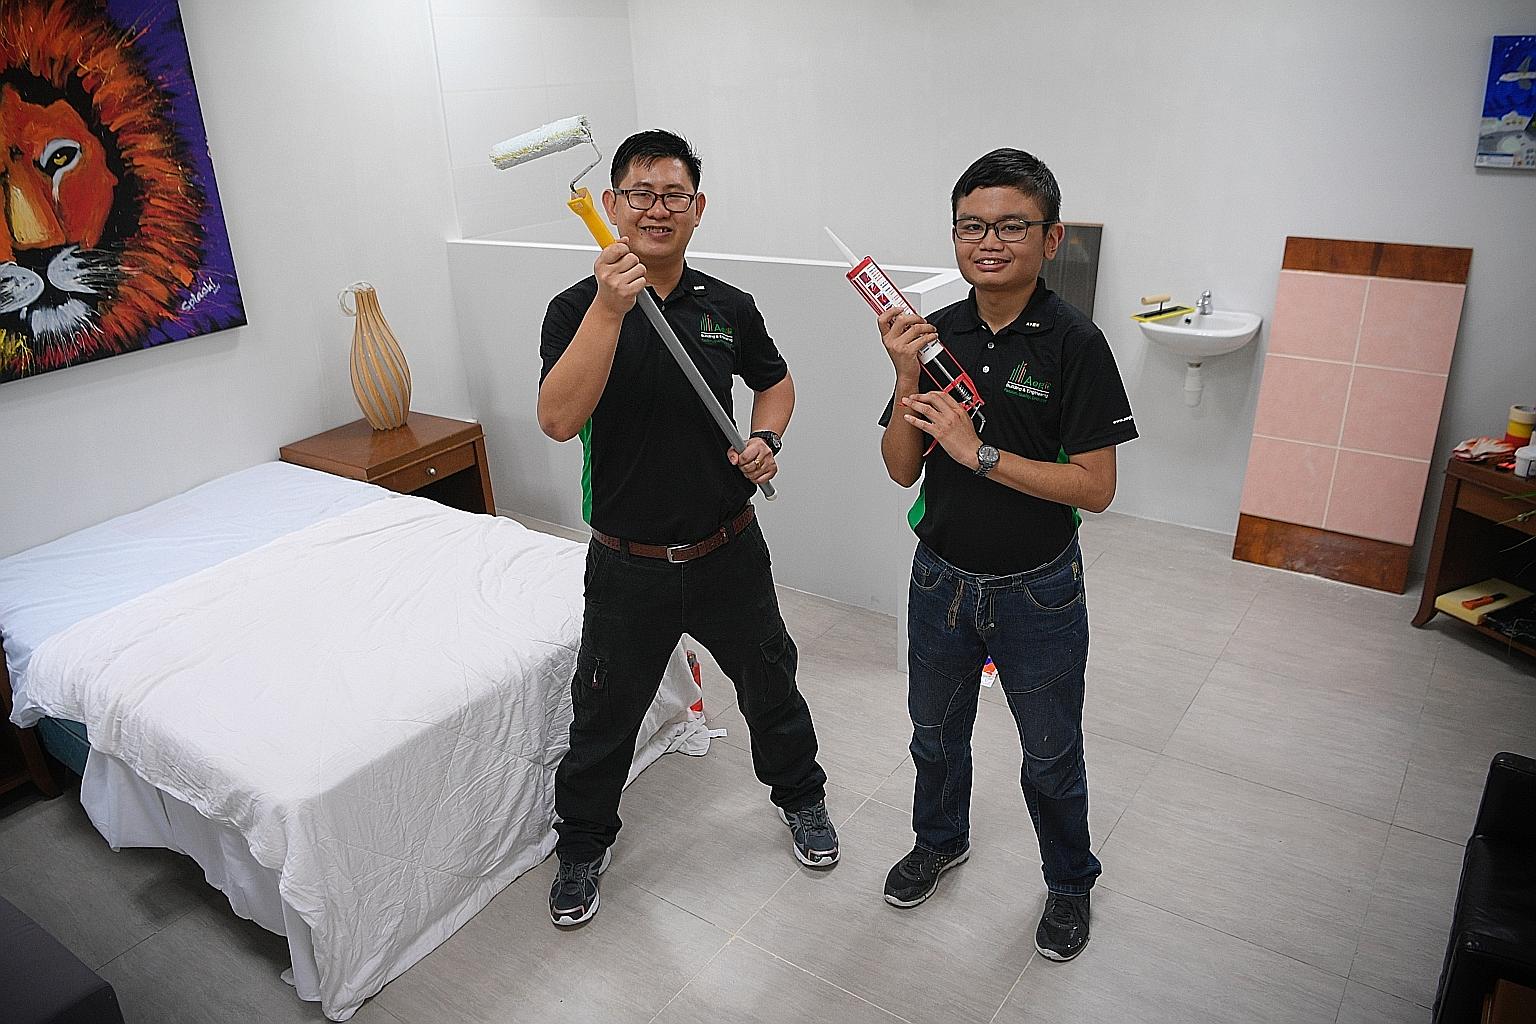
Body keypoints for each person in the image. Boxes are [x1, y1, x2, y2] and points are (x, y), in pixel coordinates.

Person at [537, 129, 838, 927]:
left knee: (771, 685)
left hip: (726, 549)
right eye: (640, 193)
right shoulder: (576, 307)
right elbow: (559, 419)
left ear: (697, 209)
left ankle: (802, 799)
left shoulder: (727, 307)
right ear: (611, 207)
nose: (657, 208)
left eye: (674, 195)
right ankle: (582, 847)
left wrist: (767, 440)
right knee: (602, 714)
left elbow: (776, 386)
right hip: (627, 562)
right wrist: (610, 308)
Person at [875, 148, 1137, 961]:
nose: (989, 242)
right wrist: (900, 371)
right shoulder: (935, 332)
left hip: (1039, 591)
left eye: (1011, 226)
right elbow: (899, 467)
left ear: (1050, 238)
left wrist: (978, 453)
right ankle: (940, 839)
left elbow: (1096, 488)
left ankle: (1068, 884)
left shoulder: (1075, 343)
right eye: (972, 226)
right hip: (940, 578)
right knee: (933, 733)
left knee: (1051, 752)